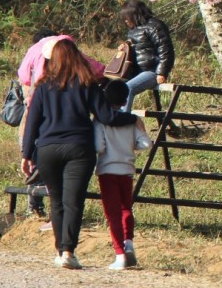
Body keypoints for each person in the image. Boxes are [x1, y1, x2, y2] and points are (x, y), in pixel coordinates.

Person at [21, 39, 139, 269]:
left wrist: (26, 154)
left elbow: (32, 121)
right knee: (73, 202)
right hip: (79, 148)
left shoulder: (43, 86)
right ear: (78, 58)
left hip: (48, 149)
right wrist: (133, 118)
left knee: (56, 201)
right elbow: (107, 117)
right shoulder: (88, 84)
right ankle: (68, 252)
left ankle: (59, 249)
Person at [17, 29, 107, 219]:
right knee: (70, 190)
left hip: (38, 108)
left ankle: (34, 204)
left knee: (36, 146)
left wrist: (26, 154)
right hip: (75, 134)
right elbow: (97, 70)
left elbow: (23, 76)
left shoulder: (33, 51)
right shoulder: (67, 45)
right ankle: (67, 238)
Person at [94, 79, 151, 270]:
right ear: (126, 99)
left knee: (113, 214)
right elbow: (145, 144)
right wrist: (131, 144)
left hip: (107, 170)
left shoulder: (100, 121)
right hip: (127, 171)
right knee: (127, 209)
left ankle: (119, 255)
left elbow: (98, 146)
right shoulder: (131, 120)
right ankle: (129, 244)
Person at [118, 0, 174, 112]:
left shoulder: (155, 26)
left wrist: (161, 72)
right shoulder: (132, 31)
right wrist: (125, 48)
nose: (125, 21)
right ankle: (110, 120)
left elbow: (165, 50)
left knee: (128, 88)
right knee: (112, 88)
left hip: (152, 71)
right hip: (136, 71)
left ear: (134, 15)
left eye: (127, 17)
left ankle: (122, 122)